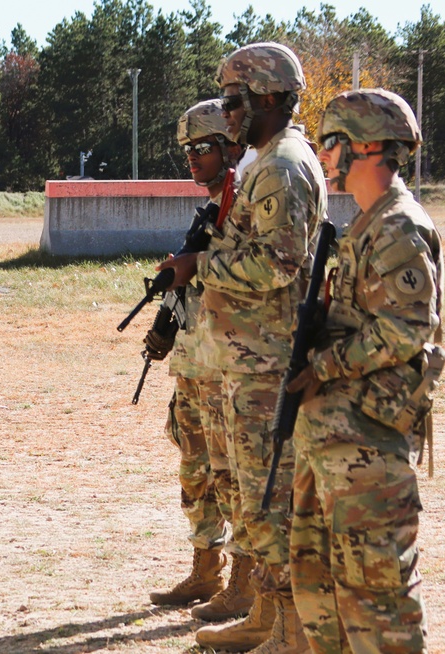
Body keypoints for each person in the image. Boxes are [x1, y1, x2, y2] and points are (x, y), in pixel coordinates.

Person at [158, 41, 326, 653]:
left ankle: (293, 631)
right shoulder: (266, 160)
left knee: (272, 500)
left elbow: (279, 262)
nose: (226, 115)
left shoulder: (282, 165)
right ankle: (265, 613)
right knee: (255, 498)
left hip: (268, 361)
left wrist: (199, 264)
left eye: (235, 101)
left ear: (272, 98)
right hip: (246, 360)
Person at [287, 88, 443, 653]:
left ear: (368, 147)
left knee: (378, 606)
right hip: (335, 443)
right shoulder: (365, 226)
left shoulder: (399, 227)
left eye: (332, 144)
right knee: (320, 592)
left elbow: (407, 329)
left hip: (368, 449)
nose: (325, 156)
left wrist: (325, 365)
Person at [147, 99, 253, 623]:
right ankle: (204, 567)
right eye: (187, 149)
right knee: (194, 470)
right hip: (195, 359)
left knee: (231, 474)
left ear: (232, 147)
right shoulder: (211, 209)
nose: (192, 157)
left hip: (227, 361)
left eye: (203, 147)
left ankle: (244, 584)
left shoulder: (246, 207)